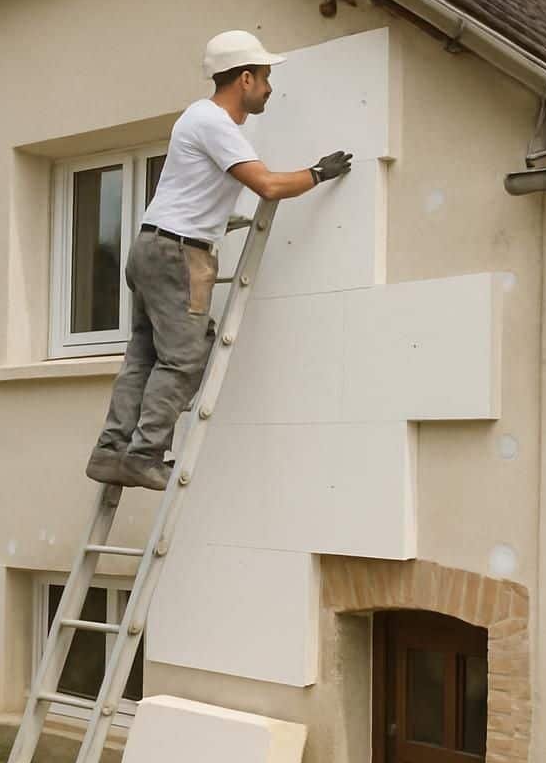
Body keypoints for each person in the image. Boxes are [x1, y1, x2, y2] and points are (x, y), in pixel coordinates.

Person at [85, 30, 354, 490]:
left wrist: (219, 223)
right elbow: (267, 185)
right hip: (177, 255)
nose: (269, 88)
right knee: (187, 358)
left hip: (151, 246)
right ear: (244, 79)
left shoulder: (195, 119)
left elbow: (194, 193)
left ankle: (111, 452)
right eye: (265, 78)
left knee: (145, 356)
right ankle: (145, 455)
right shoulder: (215, 124)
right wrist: (316, 173)